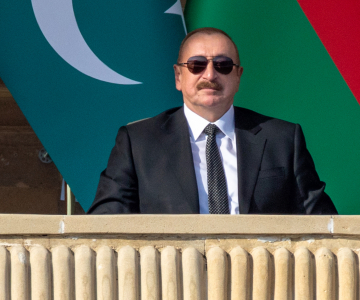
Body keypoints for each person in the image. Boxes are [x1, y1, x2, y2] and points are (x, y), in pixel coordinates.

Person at [89, 27, 336, 215]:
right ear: (178, 76)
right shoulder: (139, 143)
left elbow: (322, 222)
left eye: (223, 65)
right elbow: (106, 223)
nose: (210, 74)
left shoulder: (282, 140)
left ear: (238, 77)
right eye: (196, 65)